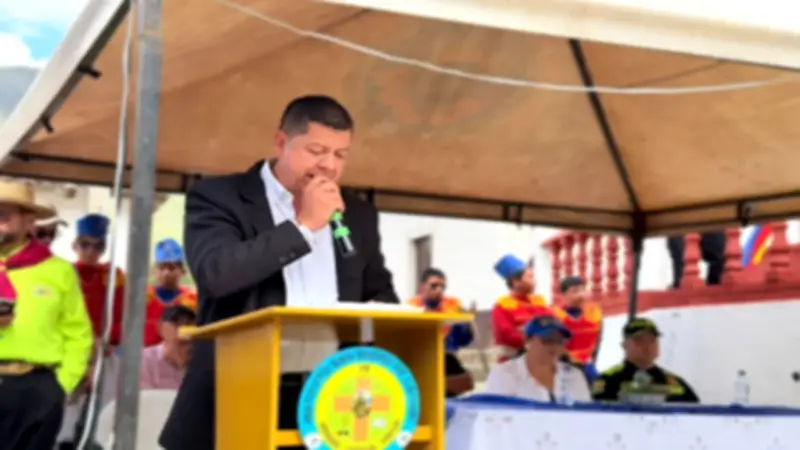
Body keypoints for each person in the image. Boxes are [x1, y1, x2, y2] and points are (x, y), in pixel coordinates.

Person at [160, 95, 399, 450]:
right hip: (237, 394)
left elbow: (379, 293)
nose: (329, 165)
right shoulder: (220, 197)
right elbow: (216, 273)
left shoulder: (357, 213)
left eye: (340, 154)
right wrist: (304, 227)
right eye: (316, 151)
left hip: (329, 400)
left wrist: (387, 312)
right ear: (281, 142)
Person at [0, 180, 93, 450]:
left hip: (36, 388)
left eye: (4, 216)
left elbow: (78, 332)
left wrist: (61, 385)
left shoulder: (58, 270)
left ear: (29, 221)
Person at [59, 214, 126, 446]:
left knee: (106, 404)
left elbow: (121, 314)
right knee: (67, 406)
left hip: (104, 349)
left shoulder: (113, 275)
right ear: (75, 246)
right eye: (85, 244)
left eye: (98, 246)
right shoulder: (64, 271)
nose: (91, 251)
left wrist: (107, 340)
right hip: (70, 349)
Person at [484, 315, 591, 402]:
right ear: (527, 340)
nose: (554, 346)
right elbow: (496, 415)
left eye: (559, 341)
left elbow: (585, 415)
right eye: (547, 340)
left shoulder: (574, 375)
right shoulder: (504, 373)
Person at [592, 317, 700, 403]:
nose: (647, 345)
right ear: (624, 345)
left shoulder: (675, 382)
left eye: (652, 340)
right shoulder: (609, 379)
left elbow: (697, 413)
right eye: (639, 340)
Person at [491, 254, 551, 362]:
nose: (534, 281)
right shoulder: (502, 305)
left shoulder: (539, 301)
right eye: (529, 277)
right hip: (514, 361)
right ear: (515, 281)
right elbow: (507, 335)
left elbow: (552, 324)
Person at [144, 238, 198, 347]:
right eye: (162, 268)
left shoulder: (191, 298)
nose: (166, 273)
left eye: (171, 268)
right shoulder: (144, 296)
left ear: (182, 271)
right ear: (154, 271)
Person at [406, 267, 474, 352]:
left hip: (447, 354)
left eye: (443, 287)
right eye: (433, 286)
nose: (439, 290)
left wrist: (467, 322)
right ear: (422, 287)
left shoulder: (453, 305)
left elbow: (464, 341)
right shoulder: (411, 306)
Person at [552, 276, 603, 382]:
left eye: (582, 290)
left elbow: (598, 339)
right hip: (564, 366)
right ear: (563, 295)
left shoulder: (594, 312)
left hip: (587, 364)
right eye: (575, 291)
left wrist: (591, 360)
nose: (581, 295)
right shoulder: (556, 315)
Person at [140, 305, 196, 390]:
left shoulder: (198, 362)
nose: (184, 331)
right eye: (179, 325)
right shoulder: (144, 359)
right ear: (161, 328)